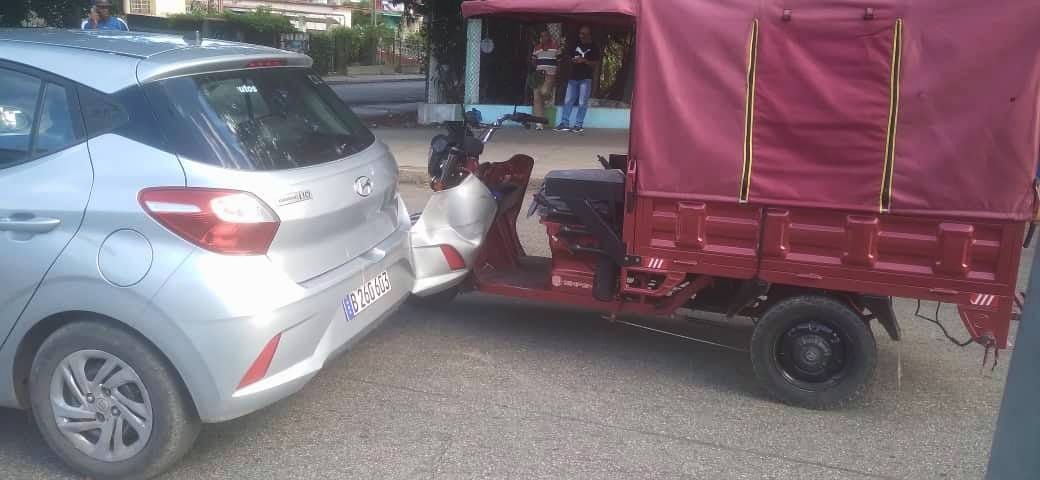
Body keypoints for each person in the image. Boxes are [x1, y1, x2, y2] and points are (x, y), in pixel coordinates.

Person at [555, 26, 599, 134]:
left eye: (584, 34)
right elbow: (569, 56)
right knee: (568, 100)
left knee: (582, 102)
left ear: (589, 35)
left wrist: (585, 61)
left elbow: (596, 63)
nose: (581, 36)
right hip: (573, 77)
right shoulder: (575, 44)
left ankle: (578, 125)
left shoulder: (594, 47)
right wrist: (573, 60)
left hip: (586, 78)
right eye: (580, 33)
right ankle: (564, 123)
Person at [530, 29, 560, 131]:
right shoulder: (537, 48)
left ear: (549, 37)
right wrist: (539, 68)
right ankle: (539, 123)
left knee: (544, 92)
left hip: (550, 75)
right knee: (537, 98)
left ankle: (549, 96)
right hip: (539, 75)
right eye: (542, 36)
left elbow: (560, 61)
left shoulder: (555, 47)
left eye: (546, 36)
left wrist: (555, 72)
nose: (544, 38)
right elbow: (533, 61)